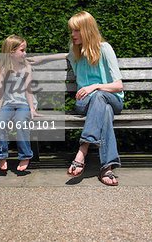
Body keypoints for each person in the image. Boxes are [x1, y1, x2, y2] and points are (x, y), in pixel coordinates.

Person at [30, 11, 124, 186]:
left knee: (100, 97)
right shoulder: (75, 51)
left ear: (87, 30)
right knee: (105, 110)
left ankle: (83, 150)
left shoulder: (105, 49)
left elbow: (118, 86)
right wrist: (42, 59)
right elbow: (65, 56)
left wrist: (94, 86)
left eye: (76, 31)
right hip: (85, 103)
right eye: (71, 31)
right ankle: (107, 168)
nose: (72, 35)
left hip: (112, 97)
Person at [0, 35, 41, 172]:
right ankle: (1, 155)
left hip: (24, 104)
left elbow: (29, 90)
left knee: (20, 121)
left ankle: (25, 155)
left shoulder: (26, 67)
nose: (25, 53)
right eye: (22, 50)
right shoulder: (4, 68)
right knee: (1, 121)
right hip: (8, 104)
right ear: (11, 52)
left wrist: (32, 109)